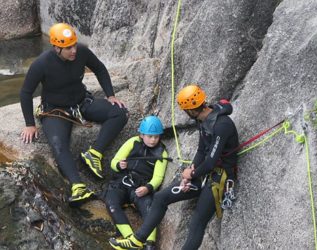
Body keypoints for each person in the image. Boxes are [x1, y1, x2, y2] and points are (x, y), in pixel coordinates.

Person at [109, 84, 239, 250]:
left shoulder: (222, 125)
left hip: (219, 178)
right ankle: (138, 239)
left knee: (197, 221)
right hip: (202, 173)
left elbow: (211, 161)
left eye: (185, 111)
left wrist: (191, 175)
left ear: (191, 110)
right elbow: (201, 151)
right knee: (160, 197)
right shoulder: (203, 120)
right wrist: (188, 174)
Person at [20, 23, 128, 204]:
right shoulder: (42, 64)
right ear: (56, 48)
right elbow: (25, 92)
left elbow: (100, 68)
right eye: (68, 48)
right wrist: (30, 123)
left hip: (81, 103)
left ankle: (94, 154)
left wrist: (110, 95)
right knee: (58, 144)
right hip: (56, 111)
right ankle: (78, 186)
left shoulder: (82, 52)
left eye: (74, 45)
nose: (73, 51)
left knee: (120, 113)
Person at [105, 115, 169, 250]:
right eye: (150, 136)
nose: (153, 140)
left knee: (150, 209)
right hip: (123, 182)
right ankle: (129, 238)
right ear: (141, 135)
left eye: (156, 137)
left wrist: (148, 188)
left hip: (141, 187)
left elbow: (158, 177)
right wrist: (119, 165)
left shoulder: (161, 153)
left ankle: (149, 244)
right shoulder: (132, 142)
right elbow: (114, 161)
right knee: (111, 202)